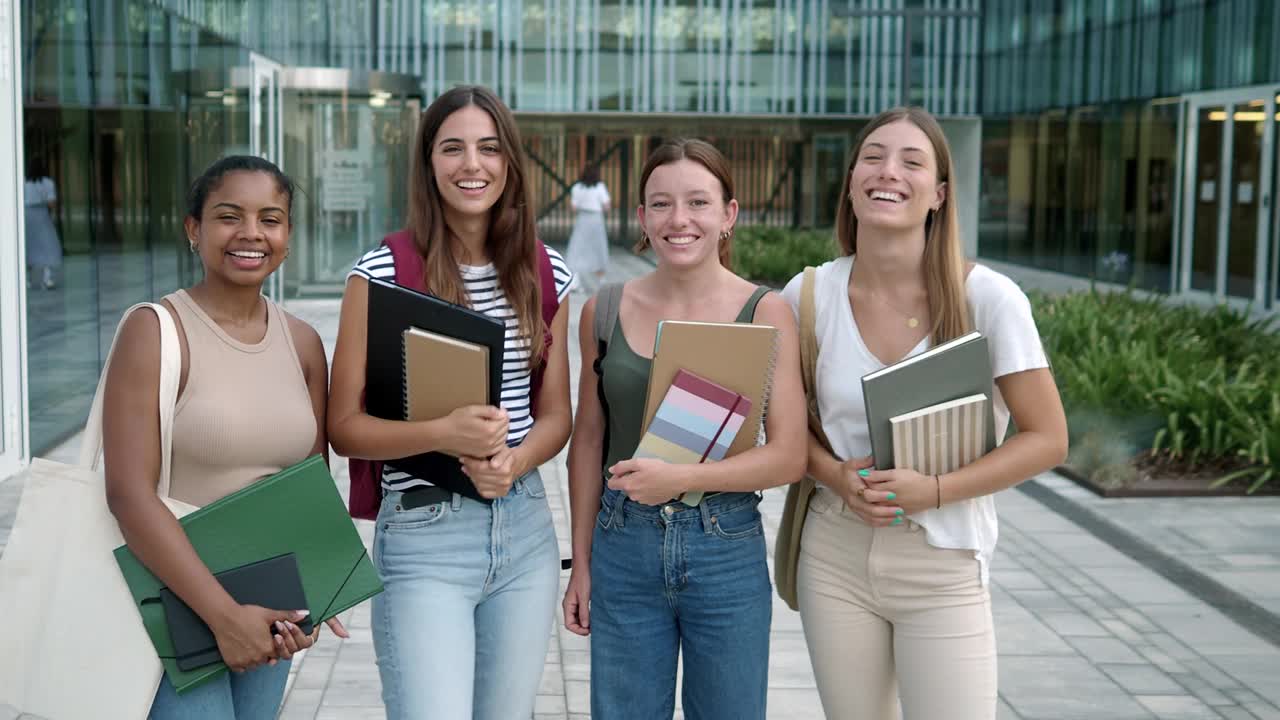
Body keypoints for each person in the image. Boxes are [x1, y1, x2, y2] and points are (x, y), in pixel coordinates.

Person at [780, 107, 1068, 720]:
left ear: (938, 194)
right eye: (874, 156)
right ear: (853, 180)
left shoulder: (986, 299)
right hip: (834, 554)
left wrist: (934, 489)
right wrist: (838, 479)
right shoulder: (806, 296)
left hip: (943, 561)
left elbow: (1048, 438)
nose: (890, 172)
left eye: (912, 162)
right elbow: (782, 434)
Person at [326, 85, 574, 720]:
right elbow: (344, 427)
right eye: (453, 148)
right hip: (424, 534)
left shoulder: (548, 273)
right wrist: (444, 431)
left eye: (490, 149)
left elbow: (556, 417)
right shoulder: (380, 273)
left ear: (510, 162)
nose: (473, 165)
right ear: (428, 162)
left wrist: (514, 463)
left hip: (523, 534)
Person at [561, 138, 807, 720]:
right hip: (623, 546)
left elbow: (791, 455)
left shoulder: (765, 312)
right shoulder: (604, 309)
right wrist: (582, 562)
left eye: (698, 202)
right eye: (661, 204)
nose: (680, 220)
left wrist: (680, 478)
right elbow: (587, 441)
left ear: (729, 215)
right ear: (642, 217)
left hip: (724, 546)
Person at [103, 155, 348, 720]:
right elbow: (127, 493)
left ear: (287, 235)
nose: (251, 234)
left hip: (268, 605)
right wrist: (222, 616)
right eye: (228, 216)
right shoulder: (155, 330)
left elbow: (306, 486)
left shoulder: (304, 342)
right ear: (194, 229)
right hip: (173, 602)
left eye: (271, 218)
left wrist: (320, 588)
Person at [565, 164, 611, 294]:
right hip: (596, 220)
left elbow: (574, 208)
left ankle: (574, 282)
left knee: (577, 248)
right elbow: (607, 205)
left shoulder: (577, 188)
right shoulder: (600, 187)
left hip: (583, 219)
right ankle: (601, 281)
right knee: (598, 248)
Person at [24, 157, 62, 290]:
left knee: (28, 246)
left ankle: (26, 280)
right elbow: (52, 203)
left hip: (26, 216)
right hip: (42, 215)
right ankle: (47, 278)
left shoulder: (23, 182)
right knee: (47, 246)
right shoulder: (47, 183)